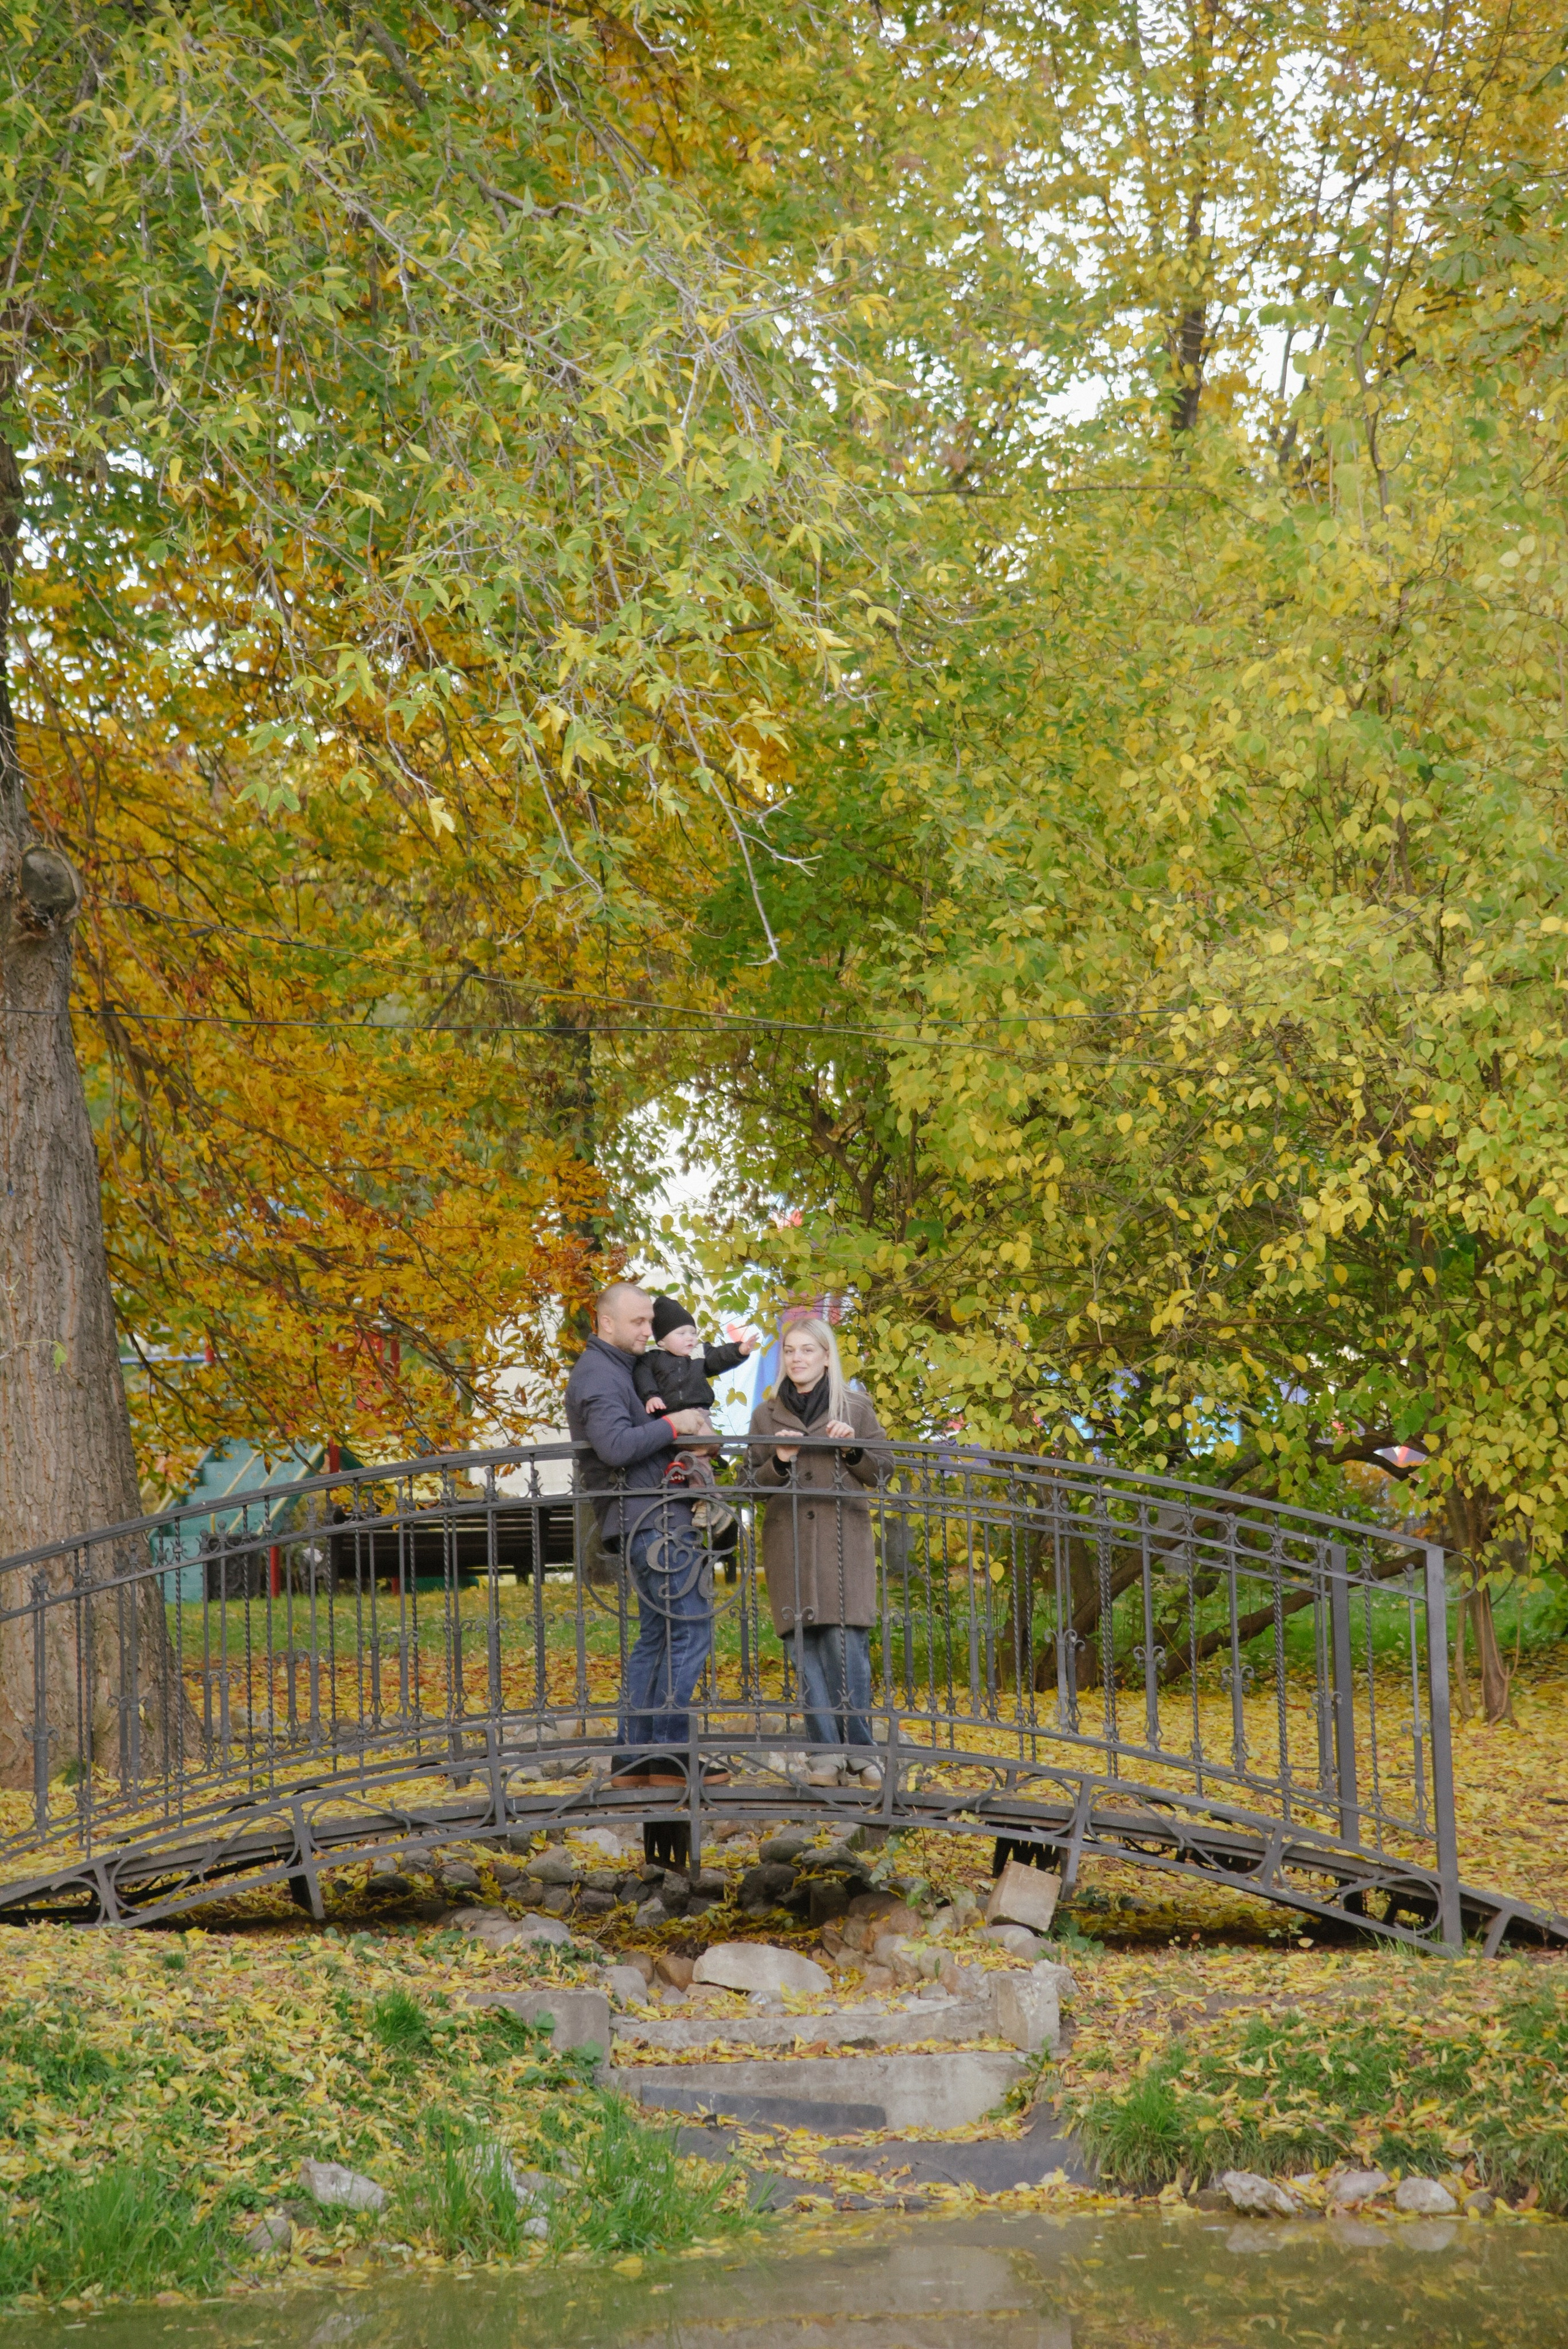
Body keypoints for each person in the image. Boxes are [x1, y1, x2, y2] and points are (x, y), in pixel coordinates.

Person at [562, 1281, 723, 1788]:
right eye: (637, 1322)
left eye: (649, 1321)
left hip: (650, 1515)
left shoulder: (620, 1369)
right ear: (605, 1322)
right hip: (651, 1520)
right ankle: (671, 1758)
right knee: (689, 1628)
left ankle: (634, 1761)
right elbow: (613, 1445)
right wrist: (676, 1425)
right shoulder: (597, 1374)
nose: (647, 1330)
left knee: (657, 1636)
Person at [748, 1318, 892, 1787]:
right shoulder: (766, 1416)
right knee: (804, 1652)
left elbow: (885, 1470)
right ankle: (825, 1757)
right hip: (788, 1546)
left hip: (841, 1543)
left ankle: (861, 1752)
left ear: (827, 1357)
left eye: (808, 1350)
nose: (797, 1359)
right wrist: (779, 1462)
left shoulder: (855, 1407)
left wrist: (852, 1452)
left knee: (847, 1648)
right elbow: (749, 1485)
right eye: (790, 1351)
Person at [633, 1295, 756, 1422]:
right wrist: (651, 1396)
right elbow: (644, 1378)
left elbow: (719, 1356)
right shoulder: (652, 1358)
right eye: (681, 1333)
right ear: (662, 1341)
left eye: (693, 1333)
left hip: (699, 1412)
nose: (689, 1338)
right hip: (668, 1415)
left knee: (707, 1439)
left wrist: (739, 1350)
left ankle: (713, 1442)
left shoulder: (700, 1353)